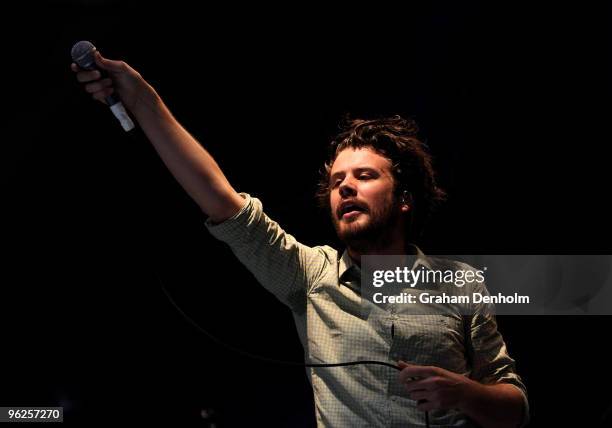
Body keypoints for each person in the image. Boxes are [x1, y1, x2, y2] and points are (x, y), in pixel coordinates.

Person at [72, 51, 529, 428]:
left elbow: (515, 407)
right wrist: (140, 97)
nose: (345, 187)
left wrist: (466, 393)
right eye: (336, 182)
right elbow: (222, 201)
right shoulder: (310, 274)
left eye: (364, 176)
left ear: (404, 197)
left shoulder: (459, 282)